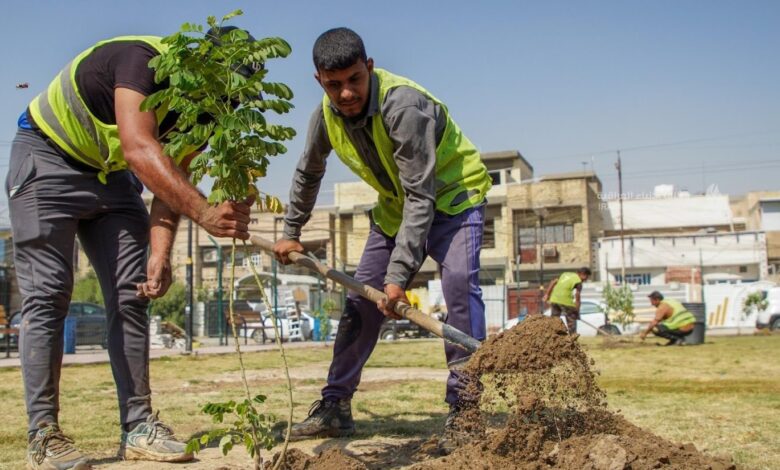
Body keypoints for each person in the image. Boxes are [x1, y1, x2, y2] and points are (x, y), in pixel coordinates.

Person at [7, 28, 256, 469]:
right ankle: (43, 436)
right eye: (221, 87)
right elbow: (140, 149)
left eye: (235, 93)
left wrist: (159, 256)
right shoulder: (140, 59)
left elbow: (171, 180)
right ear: (200, 66)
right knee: (49, 294)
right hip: (48, 158)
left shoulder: (215, 111)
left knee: (133, 293)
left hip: (111, 178)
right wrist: (207, 215)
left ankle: (138, 427)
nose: (225, 100)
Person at [273, 27, 491, 441]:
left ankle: (465, 411)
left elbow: (421, 196)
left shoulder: (404, 106)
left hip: (453, 200)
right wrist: (291, 231)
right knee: (361, 302)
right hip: (396, 210)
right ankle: (335, 406)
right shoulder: (324, 116)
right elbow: (308, 172)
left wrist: (398, 278)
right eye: (334, 85)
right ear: (319, 80)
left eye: (355, 79)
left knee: (460, 287)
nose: (347, 93)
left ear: (369, 68)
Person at [542, 267, 591, 334]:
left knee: (554, 320)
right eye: (586, 277)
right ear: (583, 274)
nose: (585, 280)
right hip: (565, 301)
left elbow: (553, 282)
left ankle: (552, 335)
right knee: (571, 320)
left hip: (554, 299)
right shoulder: (578, 281)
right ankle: (573, 338)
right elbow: (577, 297)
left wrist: (547, 294)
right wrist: (577, 312)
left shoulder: (565, 274)